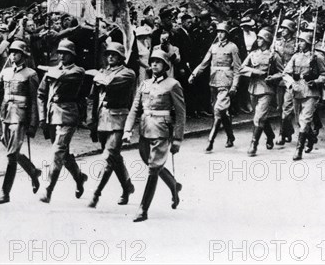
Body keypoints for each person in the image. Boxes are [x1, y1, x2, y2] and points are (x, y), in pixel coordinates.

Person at [0, 40, 42, 204]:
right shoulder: (6, 73)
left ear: (23, 55)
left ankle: (5, 193)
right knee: (10, 148)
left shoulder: (30, 74)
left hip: (20, 117)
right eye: (11, 52)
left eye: (16, 52)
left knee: (11, 154)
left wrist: (33, 124)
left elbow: (35, 101)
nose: (13, 55)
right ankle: (32, 171)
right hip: (5, 115)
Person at [123, 49, 185, 222]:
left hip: (162, 130)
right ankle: (174, 185)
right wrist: (128, 130)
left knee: (153, 169)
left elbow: (181, 113)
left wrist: (178, 139)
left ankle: (143, 209)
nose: (154, 64)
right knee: (150, 163)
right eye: (153, 61)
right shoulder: (144, 84)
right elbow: (135, 108)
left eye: (158, 62)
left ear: (165, 66)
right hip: (144, 130)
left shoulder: (173, 84)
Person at [86, 42, 136, 208]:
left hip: (119, 119)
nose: (110, 57)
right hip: (102, 119)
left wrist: (95, 74)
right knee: (114, 157)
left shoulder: (128, 74)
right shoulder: (102, 73)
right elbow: (92, 97)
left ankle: (96, 193)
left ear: (121, 57)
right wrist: (90, 119)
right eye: (108, 54)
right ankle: (127, 186)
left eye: (114, 54)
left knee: (108, 157)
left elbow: (110, 83)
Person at [37, 39, 88, 203]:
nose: (61, 56)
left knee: (57, 152)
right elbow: (41, 94)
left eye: (65, 53)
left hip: (67, 115)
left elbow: (65, 76)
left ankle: (48, 190)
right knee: (63, 154)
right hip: (52, 115)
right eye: (59, 52)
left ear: (72, 55)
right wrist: (42, 117)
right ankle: (79, 177)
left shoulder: (78, 71)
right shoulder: (52, 70)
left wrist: (47, 69)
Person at [189, 22, 241, 151]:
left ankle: (210, 140)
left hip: (226, 82)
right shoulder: (213, 47)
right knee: (220, 112)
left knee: (218, 110)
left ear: (227, 34)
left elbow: (237, 69)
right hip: (213, 82)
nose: (219, 34)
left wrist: (234, 86)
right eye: (218, 32)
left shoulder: (232, 47)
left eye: (222, 32)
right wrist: (194, 74)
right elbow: (204, 63)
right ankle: (230, 136)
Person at [283, 32, 325, 161]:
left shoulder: (317, 58)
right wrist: (291, 83)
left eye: (302, 41)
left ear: (309, 43)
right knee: (299, 121)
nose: (299, 43)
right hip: (297, 91)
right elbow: (286, 73)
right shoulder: (295, 57)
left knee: (305, 120)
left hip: (311, 92)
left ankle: (299, 150)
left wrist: (316, 81)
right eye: (299, 41)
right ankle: (310, 138)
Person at [239, 29, 283, 156]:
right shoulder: (253, 54)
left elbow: (282, 72)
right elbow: (242, 68)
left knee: (259, 117)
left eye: (260, 39)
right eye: (257, 38)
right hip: (253, 88)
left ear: (267, 41)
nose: (257, 40)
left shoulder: (274, 55)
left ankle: (254, 144)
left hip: (266, 89)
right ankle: (270, 135)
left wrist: (273, 77)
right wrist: (255, 72)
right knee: (259, 116)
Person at [273, 19, 297, 145]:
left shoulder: (296, 43)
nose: (282, 31)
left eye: (285, 29)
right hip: (279, 79)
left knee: (287, 108)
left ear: (291, 31)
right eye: (282, 28)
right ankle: (289, 130)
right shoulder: (277, 43)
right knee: (279, 107)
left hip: (290, 78)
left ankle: (282, 134)